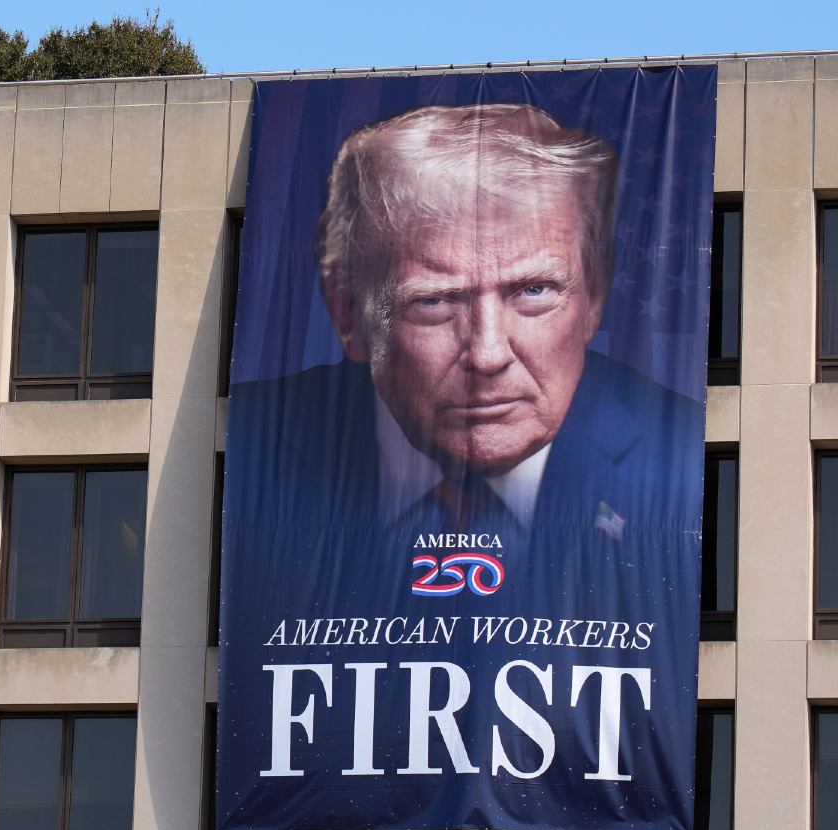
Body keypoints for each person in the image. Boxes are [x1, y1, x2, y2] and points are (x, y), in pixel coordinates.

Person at [227, 102, 701, 553]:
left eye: (533, 291)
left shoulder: (680, 449)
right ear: (348, 314)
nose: (489, 354)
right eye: (434, 300)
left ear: (593, 299)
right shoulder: (251, 446)